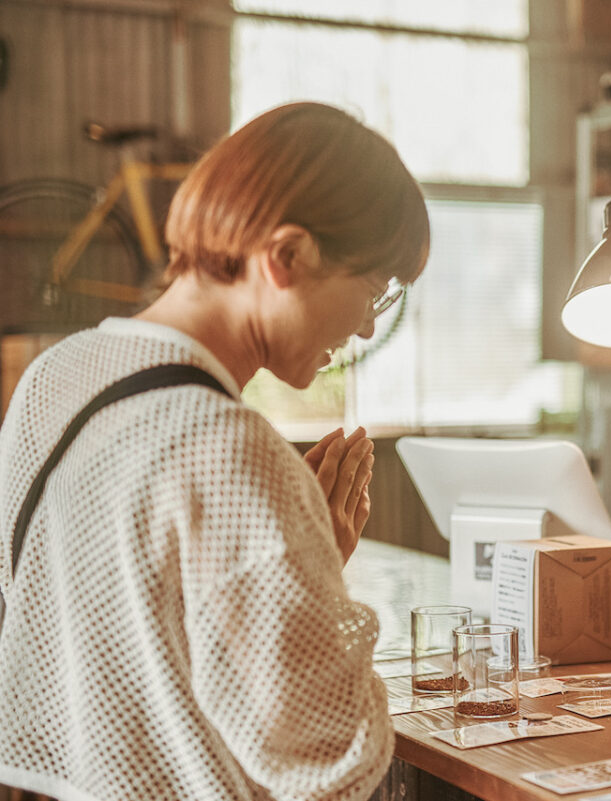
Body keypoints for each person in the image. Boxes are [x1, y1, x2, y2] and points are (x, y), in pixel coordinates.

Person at [0, 102, 430, 800]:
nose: (361, 327)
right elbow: (327, 756)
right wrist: (321, 579)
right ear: (287, 256)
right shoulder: (230, 447)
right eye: (372, 291)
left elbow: (63, 620)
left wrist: (300, 557)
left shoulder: (54, 375)